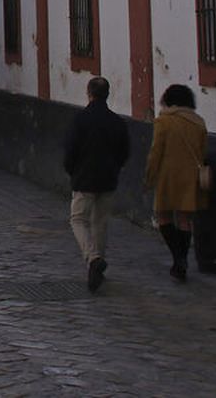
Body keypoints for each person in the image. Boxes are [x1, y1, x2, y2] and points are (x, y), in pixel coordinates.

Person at [62, 76, 131, 293]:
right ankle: (97, 266)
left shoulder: (81, 119)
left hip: (84, 177)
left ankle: (93, 258)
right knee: (100, 222)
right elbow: (124, 151)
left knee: (78, 219)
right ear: (108, 94)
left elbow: (70, 150)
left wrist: (72, 171)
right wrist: (115, 167)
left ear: (89, 93)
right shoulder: (117, 121)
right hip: (108, 177)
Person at [143, 84, 208, 282]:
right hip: (190, 177)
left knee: (163, 217)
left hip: (168, 176)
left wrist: (149, 177)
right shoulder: (199, 123)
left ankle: (178, 258)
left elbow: (156, 152)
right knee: (184, 220)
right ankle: (183, 259)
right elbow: (202, 152)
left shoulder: (164, 122)